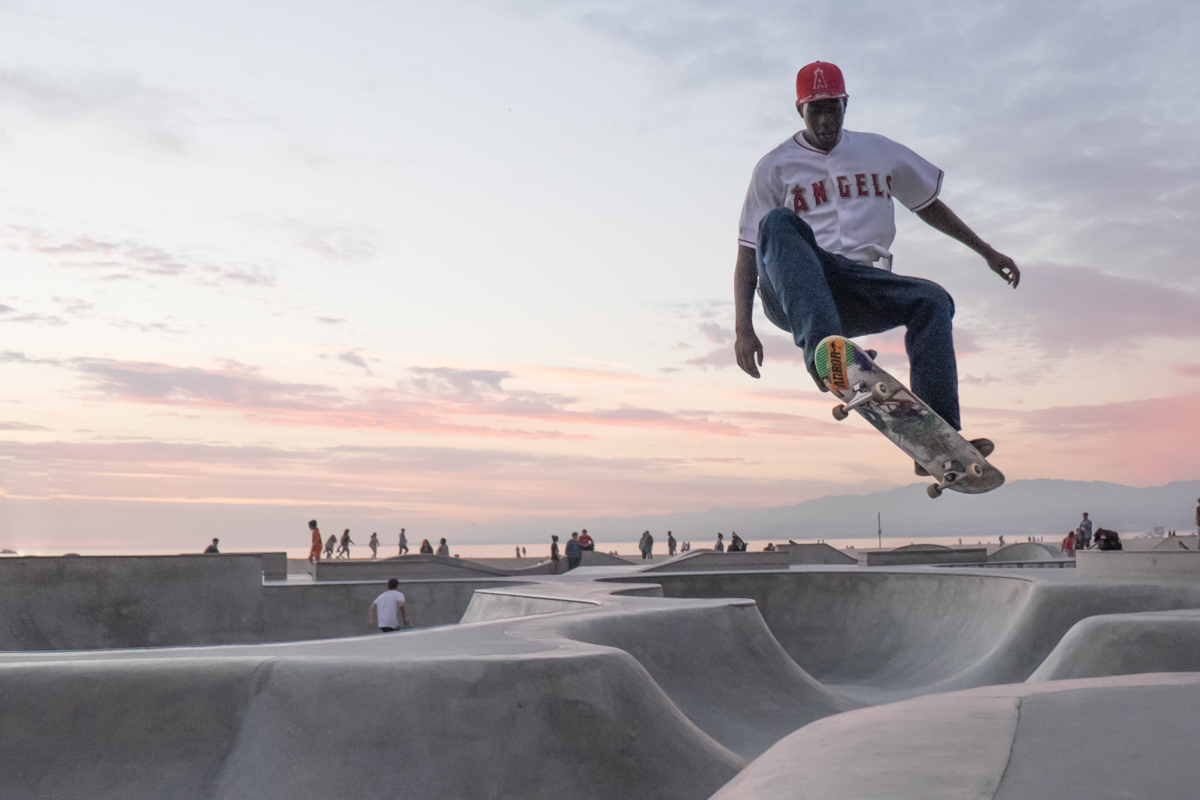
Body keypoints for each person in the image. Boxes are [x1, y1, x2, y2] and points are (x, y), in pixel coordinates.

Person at [733, 62, 1019, 475]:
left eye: (834, 108)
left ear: (846, 104)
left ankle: (938, 441)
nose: (827, 119)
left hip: (860, 286)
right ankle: (824, 356)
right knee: (776, 223)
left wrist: (987, 251)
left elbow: (928, 205)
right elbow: (747, 251)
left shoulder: (879, 151)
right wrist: (743, 328)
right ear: (801, 112)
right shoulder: (773, 167)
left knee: (933, 300)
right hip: (793, 290)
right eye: (817, 111)